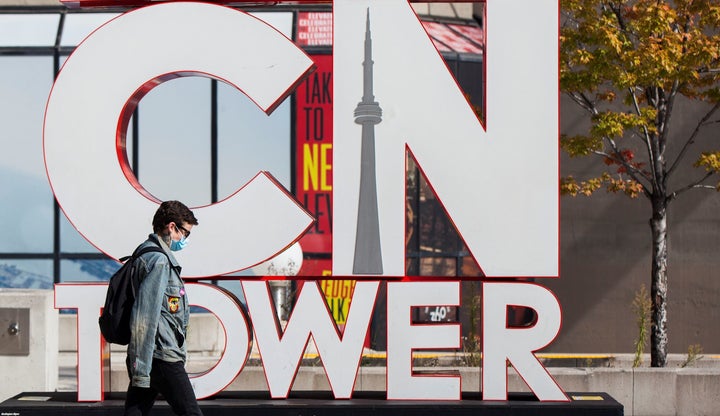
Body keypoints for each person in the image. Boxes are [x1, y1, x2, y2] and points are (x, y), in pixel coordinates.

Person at [124, 200, 201, 416]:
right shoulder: (158, 261)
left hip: (151, 354)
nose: (184, 240)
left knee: (136, 411)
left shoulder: (146, 254)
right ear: (171, 227)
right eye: (185, 233)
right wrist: (140, 367)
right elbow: (144, 317)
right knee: (191, 413)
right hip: (161, 355)